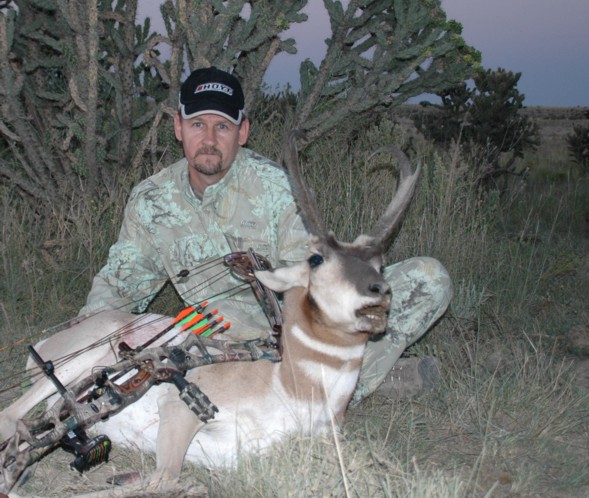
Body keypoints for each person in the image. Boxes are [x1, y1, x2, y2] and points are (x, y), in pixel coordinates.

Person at [80, 66, 452, 402]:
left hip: (290, 333)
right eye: (197, 124)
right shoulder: (152, 199)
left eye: (222, 126)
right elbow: (121, 282)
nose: (209, 138)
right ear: (178, 127)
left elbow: (308, 280)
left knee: (429, 279)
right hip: (213, 341)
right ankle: (348, 385)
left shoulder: (277, 186)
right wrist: (84, 339)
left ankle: (323, 388)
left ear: (243, 131)